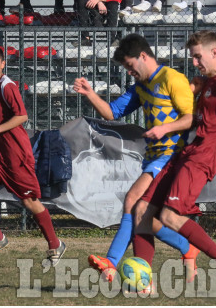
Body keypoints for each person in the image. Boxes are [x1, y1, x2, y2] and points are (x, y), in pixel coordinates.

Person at [132, 30, 216, 286]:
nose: (195, 62)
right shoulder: (206, 83)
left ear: (215, 52)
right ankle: (143, 283)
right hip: (186, 153)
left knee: (169, 217)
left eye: (197, 56)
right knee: (141, 210)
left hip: (201, 159)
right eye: (192, 57)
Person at [73, 34, 198, 284]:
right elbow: (112, 112)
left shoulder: (172, 78)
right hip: (153, 156)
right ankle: (186, 247)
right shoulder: (141, 87)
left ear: (143, 56)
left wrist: (164, 129)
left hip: (171, 153)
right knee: (145, 218)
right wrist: (89, 94)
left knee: (132, 201)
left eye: (130, 66)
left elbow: (190, 118)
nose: (130, 72)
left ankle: (111, 261)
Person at [0, 45, 66, 265]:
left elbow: (22, 116)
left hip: (16, 153)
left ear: (3, 63)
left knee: (30, 201)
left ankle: (55, 244)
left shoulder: (7, 86)